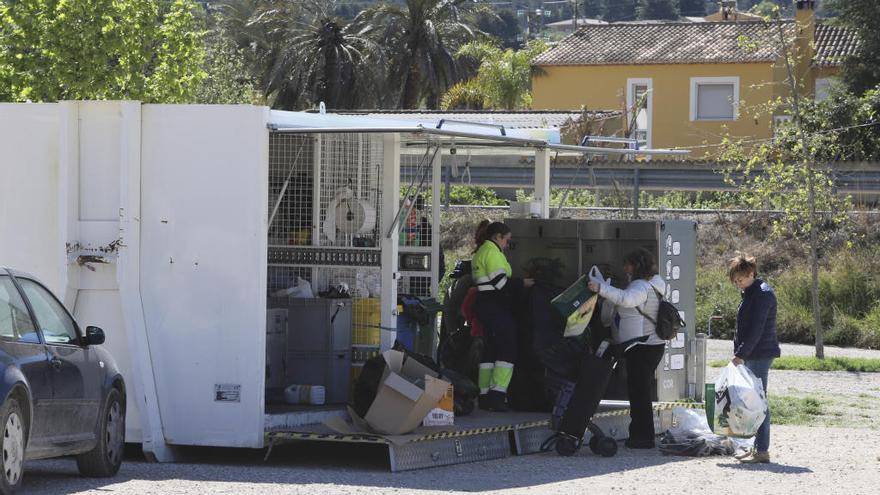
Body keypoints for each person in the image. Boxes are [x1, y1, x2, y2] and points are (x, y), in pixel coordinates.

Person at [588, 248, 666, 449]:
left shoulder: (641, 286)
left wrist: (601, 288)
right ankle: (641, 435)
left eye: (628, 264)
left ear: (637, 266)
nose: (625, 268)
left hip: (642, 346)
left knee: (639, 393)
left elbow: (626, 299)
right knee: (640, 391)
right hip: (650, 345)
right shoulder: (654, 283)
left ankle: (642, 437)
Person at [472, 221, 534, 411]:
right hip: (495, 307)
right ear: (498, 237)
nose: (507, 245)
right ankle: (498, 394)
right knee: (507, 348)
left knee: (490, 351)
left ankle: (484, 395)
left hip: (484, 306)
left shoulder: (481, 252)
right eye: (507, 240)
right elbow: (501, 283)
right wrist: (522, 283)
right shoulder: (492, 253)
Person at [728, 253, 780, 464]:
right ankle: (756, 447)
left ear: (751, 274)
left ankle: (762, 450)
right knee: (753, 401)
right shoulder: (751, 292)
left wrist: (740, 354)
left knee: (759, 402)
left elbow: (756, 330)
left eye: (740, 280)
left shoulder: (762, 294)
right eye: (735, 281)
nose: (738, 284)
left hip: (759, 354)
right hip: (754, 352)